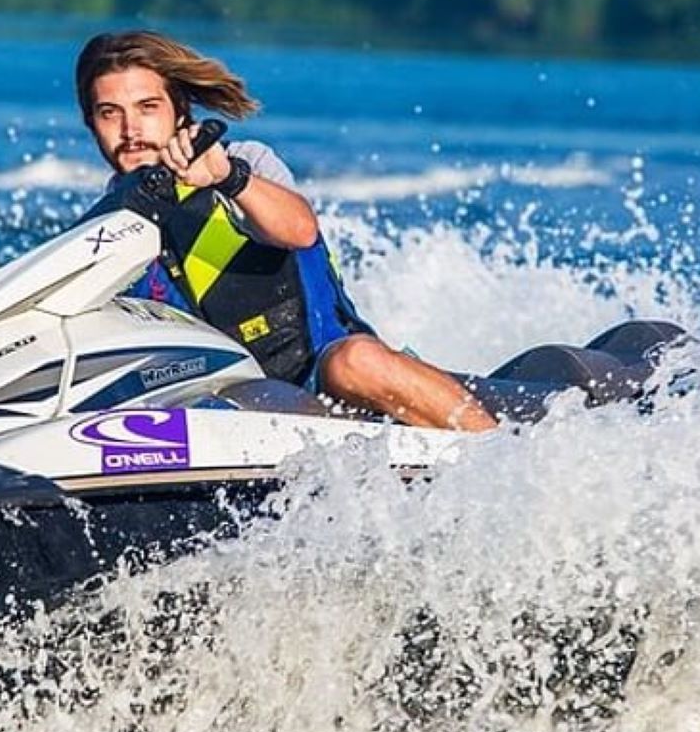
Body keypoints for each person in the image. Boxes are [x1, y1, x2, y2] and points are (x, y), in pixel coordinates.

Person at [76, 30, 497, 432]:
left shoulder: (244, 162)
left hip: (323, 366)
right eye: (110, 113)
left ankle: (498, 455)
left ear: (179, 111)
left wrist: (227, 177)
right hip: (224, 396)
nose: (130, 131)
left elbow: (299, 230)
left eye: (148, 108)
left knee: (354, 362)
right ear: (91, 123)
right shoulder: (101, 229)